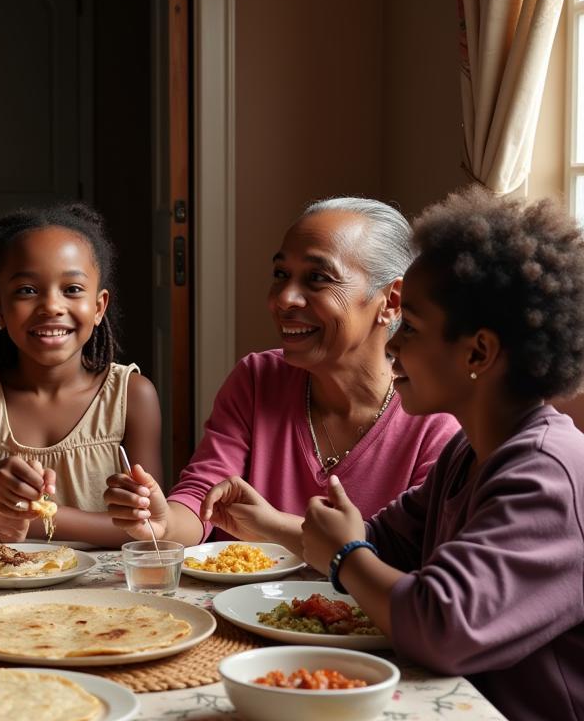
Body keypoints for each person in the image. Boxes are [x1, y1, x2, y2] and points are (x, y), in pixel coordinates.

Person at [211, 189, 584, 721]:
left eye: (408, 329)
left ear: (477, 354)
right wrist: (344, 543)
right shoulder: (471, 455)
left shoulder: (547, 477)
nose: (390, 348)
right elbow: (383, 541)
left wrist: (348, 555)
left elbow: (442, 626)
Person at [104, 196, 459, 546]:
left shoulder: (435, 418)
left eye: (318, 278)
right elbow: (202, 496)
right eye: (280, 274)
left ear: (391, 301)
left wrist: (273, 526)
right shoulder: (258, 378)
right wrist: (164, 522)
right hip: (233, 606)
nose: (284, 298)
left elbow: (415, 554)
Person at [0, 203, 163, 546]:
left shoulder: (133, 396)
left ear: (98, 307)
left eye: (72, 289)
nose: (51, 306)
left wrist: (32, 518)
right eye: (27, 290)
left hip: (98, 594)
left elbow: (150, 526)